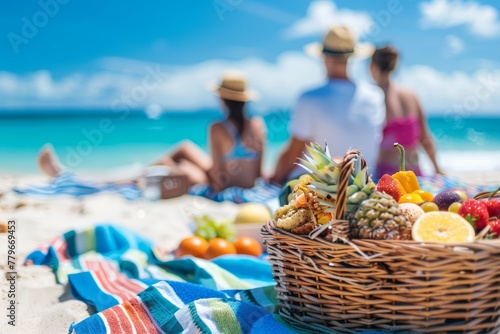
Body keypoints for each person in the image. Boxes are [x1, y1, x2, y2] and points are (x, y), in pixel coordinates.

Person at [38, 73, 266, 195]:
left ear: (222, 98)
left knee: (174, 161)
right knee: (185, 149)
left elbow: (218, 178)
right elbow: (257, 173)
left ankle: (135, 174)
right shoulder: (258, 125)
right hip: (244, 185)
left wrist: (180, 170)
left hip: (220, 185)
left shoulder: (218, 128)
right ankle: (146, 170)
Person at [271, 25, 386, 184]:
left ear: (324, 57)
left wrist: (274, 179)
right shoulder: (376, 96)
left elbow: (293, 154)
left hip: (321, 188)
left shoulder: (310, 98)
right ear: (351, 57)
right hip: (363, 185)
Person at [370, 46, 442, 176]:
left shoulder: (372, 96)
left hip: (387, 176)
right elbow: (426, 140)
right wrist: (437, 170)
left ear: (372, 66)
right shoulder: (411, 96)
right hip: (414, 175)